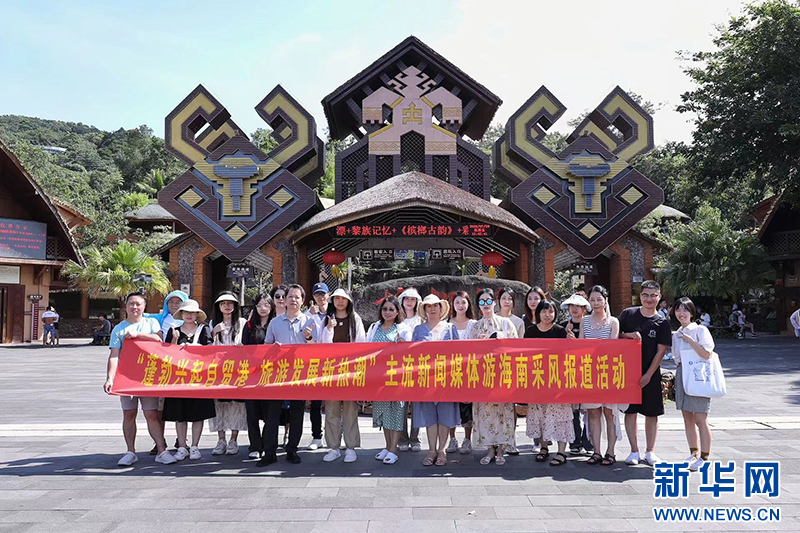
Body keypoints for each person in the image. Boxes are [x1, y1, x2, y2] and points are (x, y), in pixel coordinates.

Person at [103, 292, 176, 466]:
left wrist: (137, 334)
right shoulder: (119, 329)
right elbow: (114, 355)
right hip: (126, 377)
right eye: (131, 303)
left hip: (147, 376)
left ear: (144, 307)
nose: (134, 307)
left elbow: (159, 339)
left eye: (138, 304)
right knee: (129, 413)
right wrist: (109, 378)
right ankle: (130, 451)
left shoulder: (151, 323)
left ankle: (161, 450)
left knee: (151, 413)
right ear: (126, 306)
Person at [262, 284, 329, 466]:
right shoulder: (275, 322)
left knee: (297, 413)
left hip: (300, 374)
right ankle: (269, 452)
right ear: (284, 300)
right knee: (272, 414)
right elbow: (265, 346)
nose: (293, 300)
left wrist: (308, 338)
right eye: (290, 296)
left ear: (303, 301)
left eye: (297, 297)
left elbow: (317, 349)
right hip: (278, 374)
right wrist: (272, 348)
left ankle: (292, 450)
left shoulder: (310, 322)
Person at [620, 280, 672, 466]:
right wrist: (628, 335)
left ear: (659, 297)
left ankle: (650, 451)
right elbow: (616, 336)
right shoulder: (628, 314)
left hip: (651, 373)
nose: (649, 299)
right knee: (630, 412)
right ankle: (633, 451)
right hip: (628, 372)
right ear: (640, 296)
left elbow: (661, 351)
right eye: (645, 295)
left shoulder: (662, 322)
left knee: (652, 413)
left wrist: (649, 374)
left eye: (653, 295)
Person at [468, 289, 518, 466]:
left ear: (494, 303)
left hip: (503, 375)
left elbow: (516, 349)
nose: (486, 305)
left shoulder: (506, 323)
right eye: (481, 302)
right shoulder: (475, 327)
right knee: (485, 414)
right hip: (483, 376)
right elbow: (469, 354)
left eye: (488, 301)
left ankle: (501, 449)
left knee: (504, 413)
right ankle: (490, 449)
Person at [163, 299, 216, 461]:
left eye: (192, 313)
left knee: (198, 414)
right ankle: (181, 446)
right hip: (179, 379)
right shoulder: (174, 331)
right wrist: (174, 341)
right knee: (180, 414)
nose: (189, 315)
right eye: (186, 312)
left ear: (197, 315)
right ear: (181, 314)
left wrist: (197, 348)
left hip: (198, 379)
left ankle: (194, 446)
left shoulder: (204, 329)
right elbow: (166, 354)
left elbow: (211, 350)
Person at [411, 294, 461, 467]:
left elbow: (459, 353)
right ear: (424, 309)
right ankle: (431, 450)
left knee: (445, 417)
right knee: (429, 417)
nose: (432, 309)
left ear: (441, 308)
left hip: (446, 380)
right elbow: (411, 354)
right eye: (428, 306)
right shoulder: (418, 330)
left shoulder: (450, 328)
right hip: (425, 380)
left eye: (435, 306)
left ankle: (442, 450)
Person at [579, 286, 625, 466]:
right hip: (589, 373)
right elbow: (581, 345)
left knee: (610, 413)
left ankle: (610, 451)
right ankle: (596, 451)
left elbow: (612, 346)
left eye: (599, 299)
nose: (596, 303)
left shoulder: (613, 322)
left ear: (605, 301)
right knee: (593, 412)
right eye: (592, 299)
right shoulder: (584, 321)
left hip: (608, 372)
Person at [524, 300, 574, 467]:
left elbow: (568, 355)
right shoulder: (530, 331)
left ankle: (561, 451)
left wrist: (571, 342)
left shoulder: (560, 331)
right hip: (537, 379)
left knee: (560, 416)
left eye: (551, 311)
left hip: (557, 380)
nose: (547, 315)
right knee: (540, 415)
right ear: (538, 313)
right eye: (544, 311)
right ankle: (544, 447)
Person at [321, 288, 366, 463]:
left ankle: (350, 447)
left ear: (349, 301)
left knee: (350, 410)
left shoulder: (355, 319)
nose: (340, 301)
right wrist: (329, 329)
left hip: (350, 371)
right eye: (336, 298)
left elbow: (360, 344)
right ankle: (333, 447)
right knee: (331, 410)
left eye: (343, 298)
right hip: (331, 371)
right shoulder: (327, 319)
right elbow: (322, 345)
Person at [673, 297, 716, 472]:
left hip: (698, 375)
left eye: (685, 310)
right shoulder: (677, 334)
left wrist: (690, 341)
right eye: (678, 310)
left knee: (700, 418)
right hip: (682, 373)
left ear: (692, 313)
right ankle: (693, 453)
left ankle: (705, 457)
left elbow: (707, 353)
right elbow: (676, 358)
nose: (681, 313)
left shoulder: (700, 330)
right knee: (687, 417)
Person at [366, 295, 409, 465]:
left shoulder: (403, 329)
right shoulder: (374, 327)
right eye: (385, 309)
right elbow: (367, 349)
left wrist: (404, 344)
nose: (388, 312)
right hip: (379, 378)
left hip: (397, 378)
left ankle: (393, 449)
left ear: (398, 311)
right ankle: (386, 446)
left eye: (392, 309)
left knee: (396, 413)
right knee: (383, 413)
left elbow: (410, 353)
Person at [209, 292, 248, 456]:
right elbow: (207, 349)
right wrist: (214, 332)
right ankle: (221, 440)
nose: (227, 306)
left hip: (238, 372)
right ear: (218, 306)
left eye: (230, 303)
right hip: (219, 372)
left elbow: (248, 345)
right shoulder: (213, 323)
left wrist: (242, 347)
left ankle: (233, 440)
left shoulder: (242, 323)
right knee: (220, 405)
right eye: (223, 303)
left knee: (236, 405)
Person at [242, 294, 275, 459]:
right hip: (251, 375)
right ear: (255, 307)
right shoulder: (249, 325)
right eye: (260, 305)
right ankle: (255, 446)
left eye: (266, 305)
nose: (263, 308)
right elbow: (244, 347)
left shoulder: (275, 324)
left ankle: (267, 443)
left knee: (269, 412)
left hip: (270, 374)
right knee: (252, 412)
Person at [559, 293, 593, 454]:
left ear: (585, 309)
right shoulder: (563, 326)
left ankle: (588, 441)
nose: (574, 309)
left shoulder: (591, 324)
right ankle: (574, 441)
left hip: (587, 369)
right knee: (572, 409)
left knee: (588, 408)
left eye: (578, 306)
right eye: (572, 306)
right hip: (569, 371)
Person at [446, 291, 476, 455]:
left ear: (468, 304)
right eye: (457, 302)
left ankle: (467, 439)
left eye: (463, 302)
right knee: (451, 405)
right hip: (451, 371)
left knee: (467, 406)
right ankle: (452, 439)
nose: (460, 305)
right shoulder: (447, 324)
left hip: (469, 371)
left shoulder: (474, 324)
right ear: (453, 305)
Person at [303, 283, 329, 450]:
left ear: (328, 295)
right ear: (313, 297)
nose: (320, 297)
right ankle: (317, 436)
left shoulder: (336, 313)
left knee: (336, 402)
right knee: (315, 403)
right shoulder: (307, 316)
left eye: (323, 294)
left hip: (334, 363)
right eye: (317, 294)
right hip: (315, 364)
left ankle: (337, 435)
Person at [397, 287, 423, 452]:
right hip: (399, 367)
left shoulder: (421, 320)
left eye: (413, 299)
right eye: (406, 299)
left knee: (417, 405)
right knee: (401, 405)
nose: (409, 302)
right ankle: (402, 438)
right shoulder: (397, 320)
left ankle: (415, 438)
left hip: (418, 366)